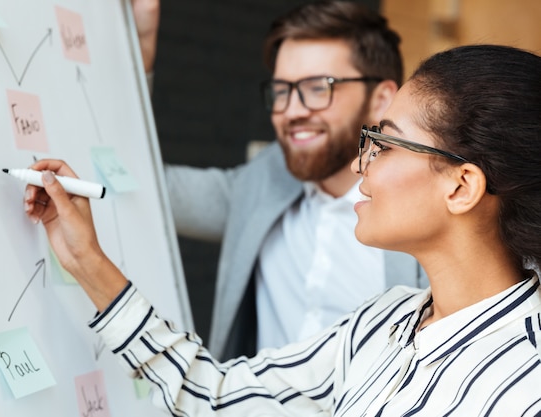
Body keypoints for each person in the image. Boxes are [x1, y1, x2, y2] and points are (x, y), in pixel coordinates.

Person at [24, 44, 541, 415]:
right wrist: (85, 261)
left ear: (461, 186)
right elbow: (218, 395)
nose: (363, 167)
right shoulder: (382, 322)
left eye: (384, 144)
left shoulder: (523, 385)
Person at [133, 0, 427, 361]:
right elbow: (146, 189)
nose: (292, 111)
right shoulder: (264, 181)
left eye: (320, 88)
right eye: (282, 91)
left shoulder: (425, 213)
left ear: (381, 99)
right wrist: (139, 54)